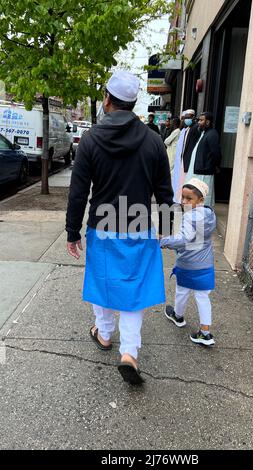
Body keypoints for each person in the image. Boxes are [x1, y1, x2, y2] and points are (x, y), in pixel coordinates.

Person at [66, 70, 174, 385]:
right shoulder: (154, 141)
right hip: (137, 222)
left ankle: (103, 333)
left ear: (108, 100)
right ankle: (130, 352)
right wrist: (165, 225)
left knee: (102, 281)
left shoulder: (90, 139)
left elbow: (78, 191)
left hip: (102, 223)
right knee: (134, 289)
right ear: (134, 102)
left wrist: (73, 232)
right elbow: (164, 191)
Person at [160, 178, 216, 346]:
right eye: (182, 197)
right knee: (203, 297)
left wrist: (162, 241)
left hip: (187, 264)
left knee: (182, 291)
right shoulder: (209, 215)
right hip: (206, 265)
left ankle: (178, 316)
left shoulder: (191, 217)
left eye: (188, 198)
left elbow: (183, 239)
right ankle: (205, 333)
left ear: (200, 199)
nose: (183, 201)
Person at [185, 112, 222, 207]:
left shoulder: (212, 134)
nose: (199, 122)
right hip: (198, 170)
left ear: (208, 122)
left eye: (201, 120)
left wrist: (214, 166)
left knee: (203, 195)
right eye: (199, 120)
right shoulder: (204, 133)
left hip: (204, 171)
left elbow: (216, 153)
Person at [172, 109, 199, 203]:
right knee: (180, 181)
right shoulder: (186, 129)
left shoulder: (195, 128)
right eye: (185, 117)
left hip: (188, 160)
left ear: (193, 117)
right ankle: (179, 199)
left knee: (185, 181)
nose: (186, 119)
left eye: (188, 117)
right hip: (182, 159)